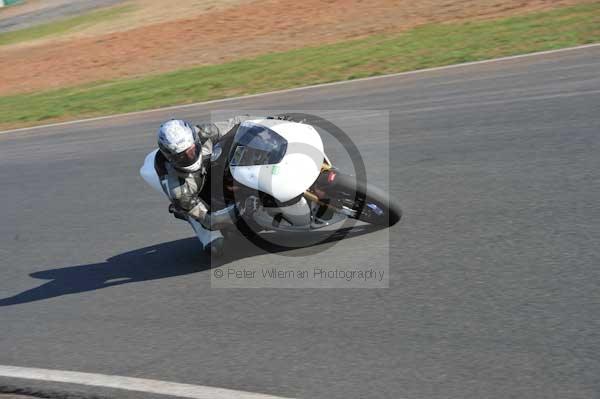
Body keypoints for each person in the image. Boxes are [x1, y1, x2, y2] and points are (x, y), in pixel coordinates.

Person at [154, 116, 256, 256]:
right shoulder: (178, 189)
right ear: (171, 158)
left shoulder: (204, 133)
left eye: (193, 150)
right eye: (183, 156)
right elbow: (209, 220)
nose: (191, 156)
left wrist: (272, 121)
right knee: (217, 248)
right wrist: (240, 209)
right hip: (193, 195)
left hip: (209, 167)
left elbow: (239, 122)